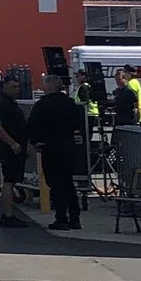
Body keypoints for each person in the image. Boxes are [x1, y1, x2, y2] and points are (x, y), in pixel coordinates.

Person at [26, 76, 86, 229]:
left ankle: (61, 218)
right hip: (68, 148)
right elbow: (77, 125)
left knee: (55, 183)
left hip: (51, 148)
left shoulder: (43, 105)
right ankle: (75, 217)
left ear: (49, 87)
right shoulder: (70, 104)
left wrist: (34, 142)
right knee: (68, 183)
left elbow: (33, 125)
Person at [0, 71, 30, 229]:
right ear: (5, 86)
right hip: (9, 148)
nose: (16, 90)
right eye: (13, 87)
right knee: (9, 181)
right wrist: (12, 143)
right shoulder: (1, 103)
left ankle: (9, 213)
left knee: (12, 180)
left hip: (17, 147)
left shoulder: (11, 103)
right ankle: (7, 215)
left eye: (18, 87)